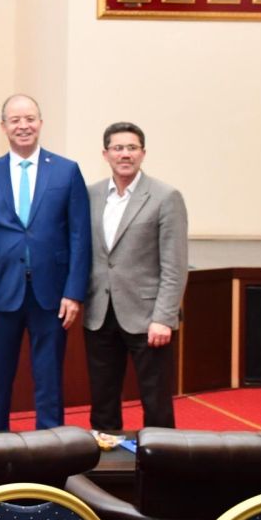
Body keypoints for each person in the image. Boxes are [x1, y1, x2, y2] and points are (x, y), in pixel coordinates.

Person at [0, 94, 91, 430]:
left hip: (52, 293)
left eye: (29, 119)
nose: (23, 126)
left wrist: (74, 293)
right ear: (3, 127)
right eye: (15, 120)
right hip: (0, 292)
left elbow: (80, 236)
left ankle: (51, 446)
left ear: (40, 123)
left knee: (49, 376)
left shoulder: (67, 171)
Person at [85, 122, 188, 431]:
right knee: (103, 400)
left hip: (148, 317)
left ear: (143, 153)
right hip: (100, 314)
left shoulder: (165, 196)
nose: (125, 154)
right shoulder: (91, 195)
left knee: (155, 400)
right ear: (105, 154)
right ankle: (104, 454)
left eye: (132, 148)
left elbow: (175, 264)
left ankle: (163, 455)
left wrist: (164, 317)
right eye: (118, 148)